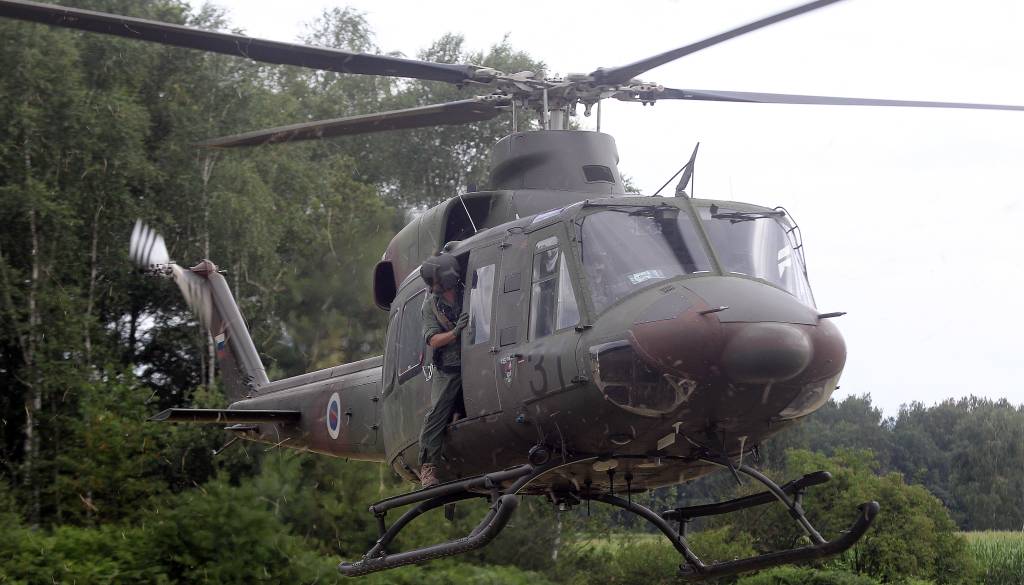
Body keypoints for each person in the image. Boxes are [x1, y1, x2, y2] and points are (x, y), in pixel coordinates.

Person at [417, 253, 468, 488]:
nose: (433, 287)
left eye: (434, 282)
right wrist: (455, 333)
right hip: (449, 367)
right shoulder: (431, 306)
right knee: (436, 414)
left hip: (476, 358)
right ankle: (428, 466)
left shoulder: (468, 291)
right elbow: (433, 340)